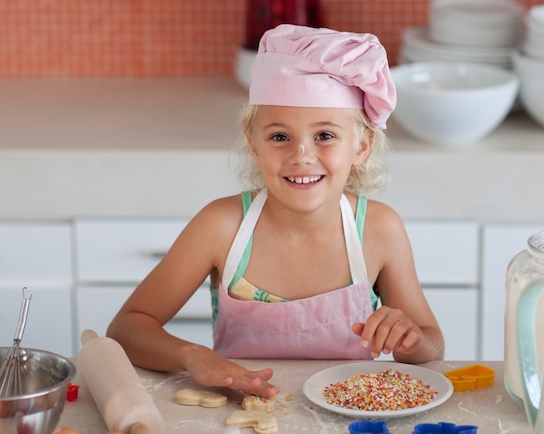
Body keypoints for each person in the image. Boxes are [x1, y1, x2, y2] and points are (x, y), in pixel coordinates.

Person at [107, 24, 444, 398]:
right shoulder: (221, 227)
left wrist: (410, 341)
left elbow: (432, 345)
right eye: (279, 137)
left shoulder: (380, 229)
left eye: (325, 136)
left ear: (361, 146)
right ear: (254, 144)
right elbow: (126, 327)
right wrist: (190, 355)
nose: (301, 156)